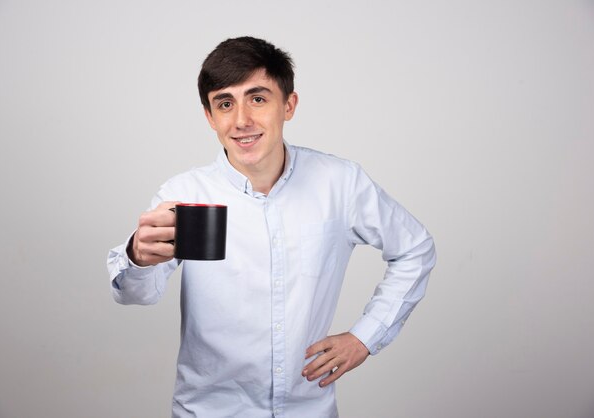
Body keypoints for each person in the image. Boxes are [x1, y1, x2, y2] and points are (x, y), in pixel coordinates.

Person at [107, 36, 436, 418]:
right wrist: (138, 257)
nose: (242, 120)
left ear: (289, 105)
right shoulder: (184, 193)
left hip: (308, 409)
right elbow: (137, 294)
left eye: (258, 98)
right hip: (209, 411)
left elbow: (415, 248)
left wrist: (366, 337)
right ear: (210, 117)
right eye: (225, 103)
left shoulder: (339, 183)